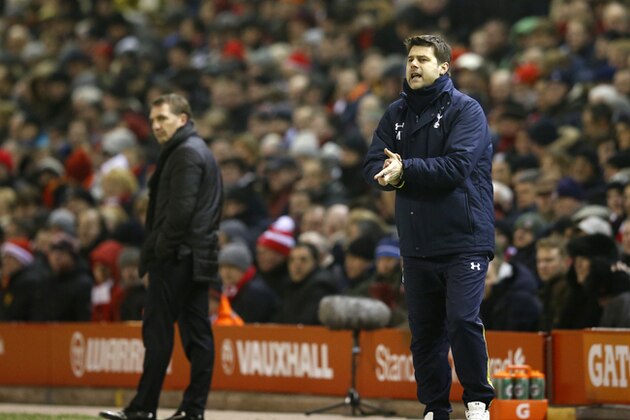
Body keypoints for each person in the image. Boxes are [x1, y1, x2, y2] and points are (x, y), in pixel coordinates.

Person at [363, 34, 495, 420]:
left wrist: (404, 171)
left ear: (443, 67)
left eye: (422, 59)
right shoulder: (395, 113)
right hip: (416, 242)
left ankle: (476, 402)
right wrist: (384, 175)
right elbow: (373, 161)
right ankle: (435, 409)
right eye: (410, 60)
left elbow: (456, 168)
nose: (414, 66)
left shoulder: (466, 111)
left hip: (463, 239)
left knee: (462, 320)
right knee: (423, 334)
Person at [100, 94, 223, 420]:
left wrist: (160, 252)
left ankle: (144, 408)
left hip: (178, 255)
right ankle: (192, 410)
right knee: (197, 335)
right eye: (153, 120)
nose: (155, 126)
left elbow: (180, 212)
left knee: (159, 333)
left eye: (163, 119)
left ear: (182, 119)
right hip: (196, 254)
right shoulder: (193, 150)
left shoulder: (184, 153)